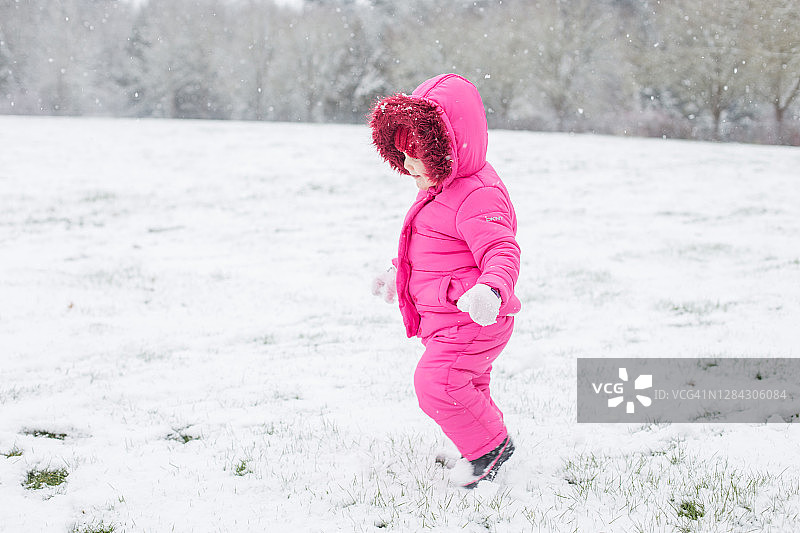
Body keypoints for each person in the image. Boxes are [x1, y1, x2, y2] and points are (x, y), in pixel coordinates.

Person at [368, 73, 522, 489]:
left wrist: (492, 289)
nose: (406, 163)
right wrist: (396, 275)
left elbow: (501, 250)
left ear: (447, 148)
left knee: (437, 383)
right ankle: (475, 441)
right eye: (401, 151)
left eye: (416, 152)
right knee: (466, 385)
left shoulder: (478, 194)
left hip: (473, 318)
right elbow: (429, 250)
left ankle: (491, 448)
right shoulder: (438, 186)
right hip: (447, 320)